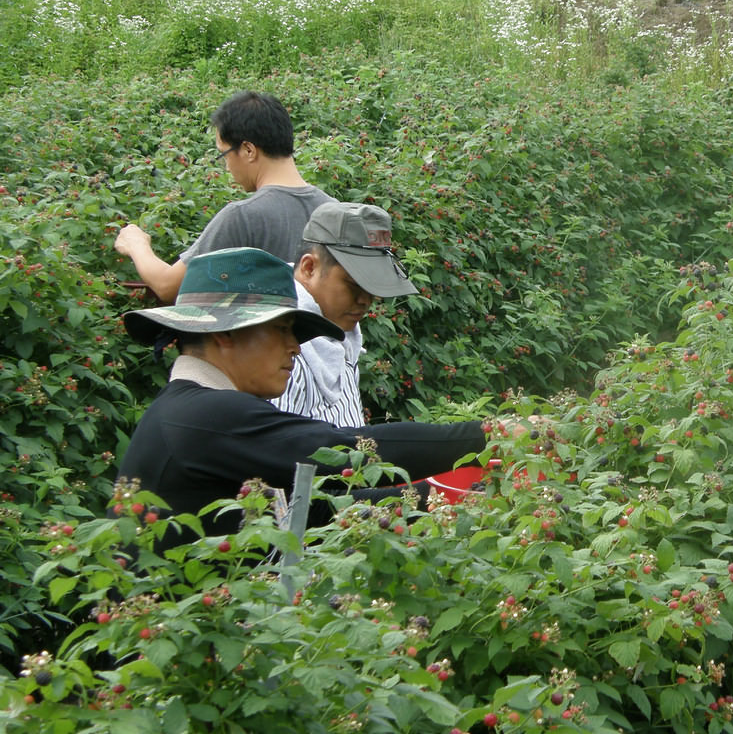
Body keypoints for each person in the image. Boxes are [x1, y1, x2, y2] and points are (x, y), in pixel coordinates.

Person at [117, 246, 489, 538]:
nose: (295, 347)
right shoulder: (208, 414)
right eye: (283, 330)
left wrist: (436, 495)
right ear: (224, 332)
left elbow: (303, 511)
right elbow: (342, 449)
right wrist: (491, 437)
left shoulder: (186, 408)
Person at [115, 91, 334, 304]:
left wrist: (136, 245)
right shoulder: (334, 210)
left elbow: (168, 287)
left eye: (224, 154)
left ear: (248, 150)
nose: (226, 166)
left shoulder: (244, 216)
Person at [272, 202, 418, 426]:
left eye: (372, 288)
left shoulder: (340, 335)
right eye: (353, 285)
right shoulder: (282, 349)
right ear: (309, 267)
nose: (364, 301)